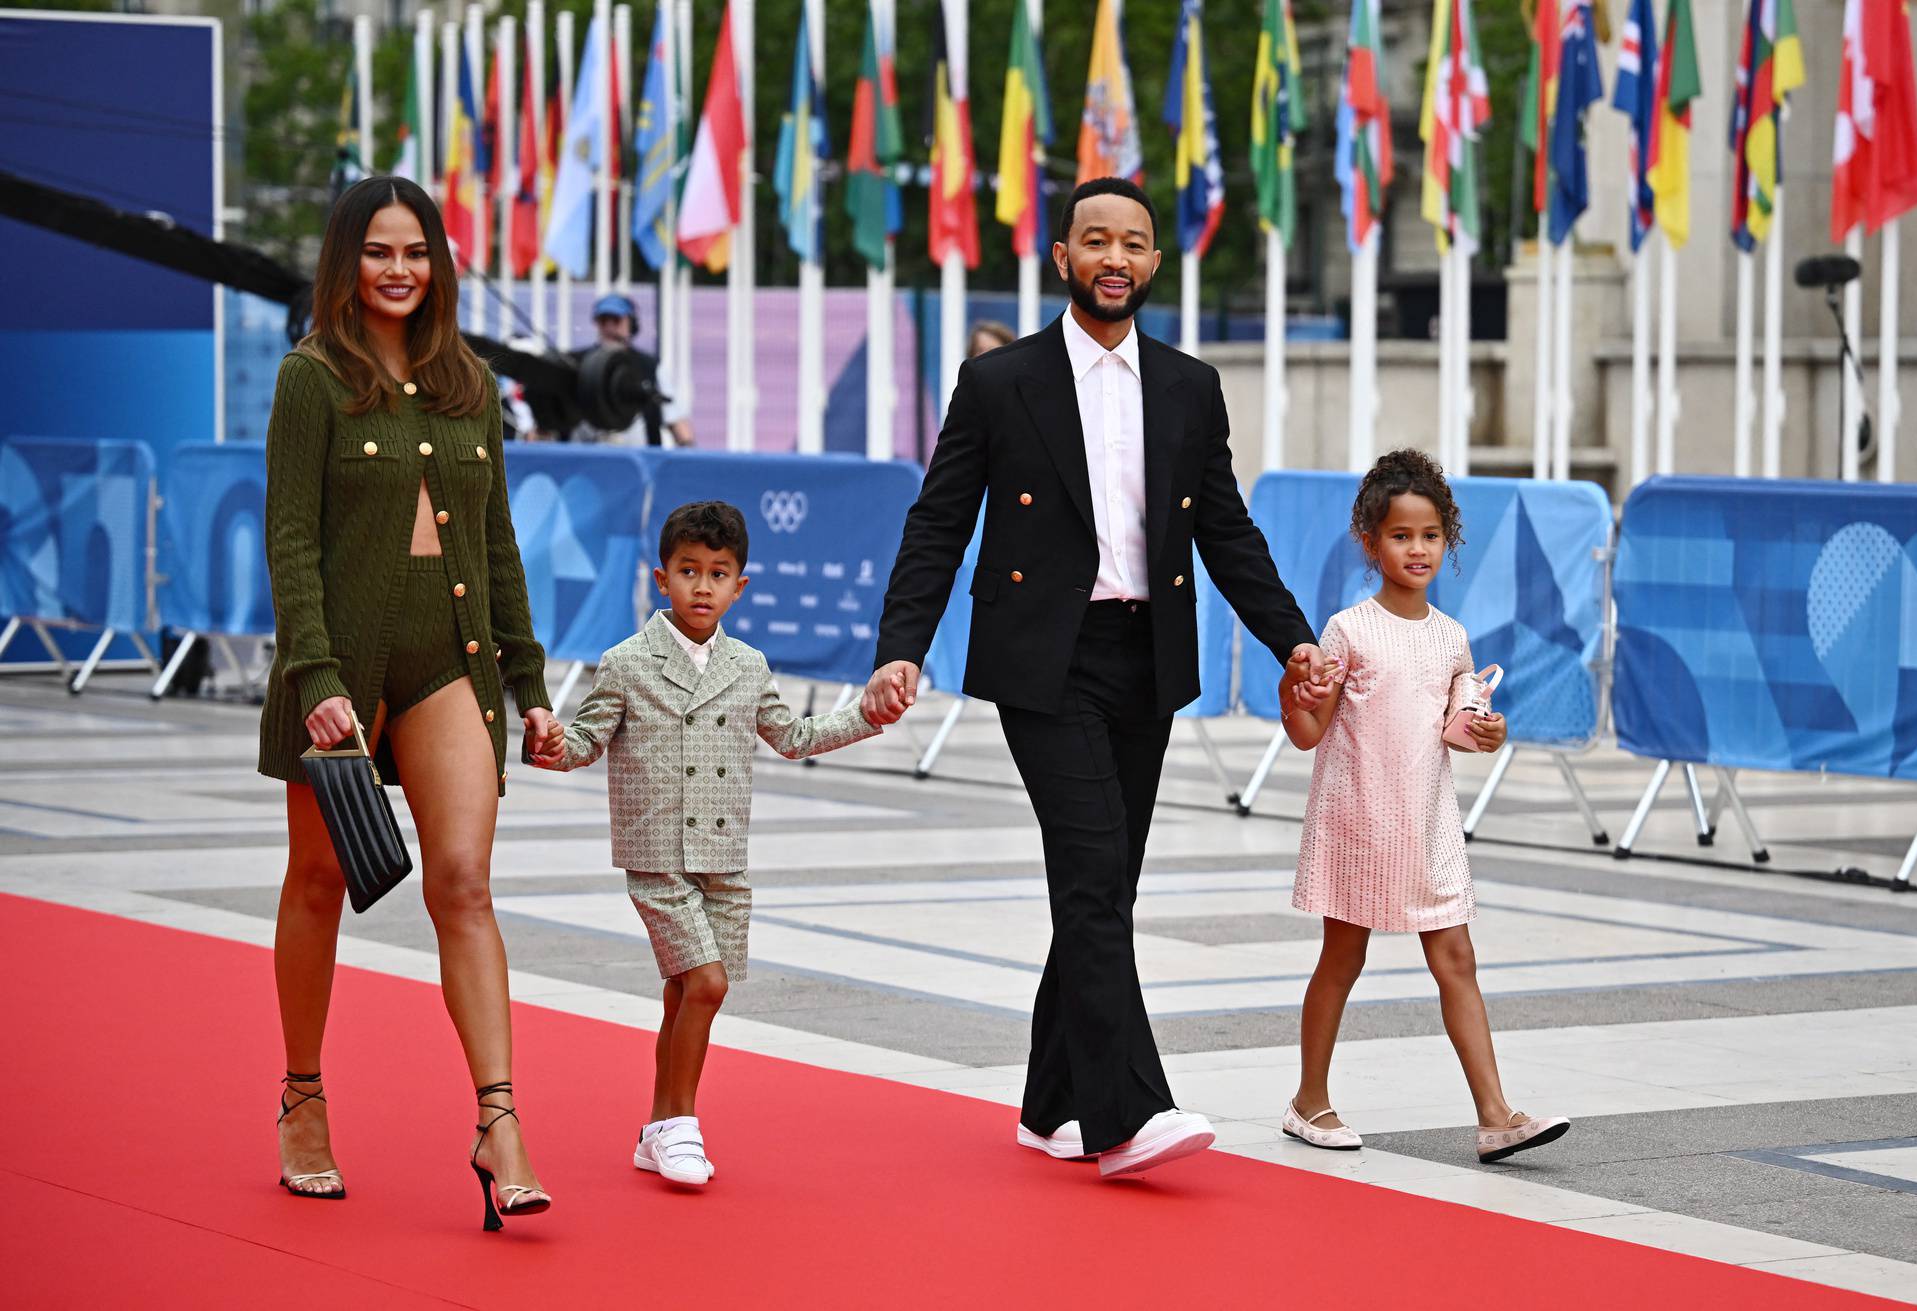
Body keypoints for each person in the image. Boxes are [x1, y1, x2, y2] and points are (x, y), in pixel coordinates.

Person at [862, 177, 1336, 1179]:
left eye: (1133, 242)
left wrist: (1289, 637)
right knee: (1089, 876)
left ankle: (1048, 1104)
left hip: (1146, 658)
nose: (1114, 258)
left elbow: (1227, 529)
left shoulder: (1188, 386)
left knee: (1103, 885)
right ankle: (1127, 1113)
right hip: (1045, 659)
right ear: (1064, 257)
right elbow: (939, 519)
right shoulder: (1003, 384)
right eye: (1095, 240)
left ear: (1155, 263)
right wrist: (901, 644)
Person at [259, 175, 565, 1229]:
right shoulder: (311, 380)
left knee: (466, 886)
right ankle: (303, 1096)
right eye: (380, 252)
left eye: (418, 253)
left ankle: (499, 1122)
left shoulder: (467, 381)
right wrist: (316, 677)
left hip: (451, 664)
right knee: (316, 881)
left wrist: (526, 686)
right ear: (346, 263)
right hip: (339, 671)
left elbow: (498, 544)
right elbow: (291, 537)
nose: (400, 270)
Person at [536, 501, 884, 1187]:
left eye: (718, 573)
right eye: (688, 570)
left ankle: (655, 1128)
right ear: (660, 577)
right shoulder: (627, 662)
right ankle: (680, 1125)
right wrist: (550, 743)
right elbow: (584, 740)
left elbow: (795, 737)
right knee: (707, 981)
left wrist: (867, 713)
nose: (702, 586)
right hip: (658, 855)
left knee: (681, 992)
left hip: (724, 860)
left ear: (740, 587)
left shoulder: (749, 666)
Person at [1278, 449, 1570, 1163]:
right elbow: (1310, 733)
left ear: (1449, 540)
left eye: (1431, 534)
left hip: (1430, 824)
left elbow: (1457, 730)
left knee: (1458, 957)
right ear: (1371, 541)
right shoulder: (1347, 631)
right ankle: (1308, 1100)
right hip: (1359, 821)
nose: (1418, 548)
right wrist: (1295, 696)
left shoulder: (1452, 639)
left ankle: (1496, 1115)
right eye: (1402, 535)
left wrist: (1489, 734)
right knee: (1341, 958)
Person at [574, 293, 691, 446]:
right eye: (603, 321)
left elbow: (676, 422)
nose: (609, 328)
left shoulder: (650, 367)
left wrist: (690, 458)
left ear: (631, 324)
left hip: (637, 463)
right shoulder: (576, 363)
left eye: (616, 321)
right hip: (585, 462)